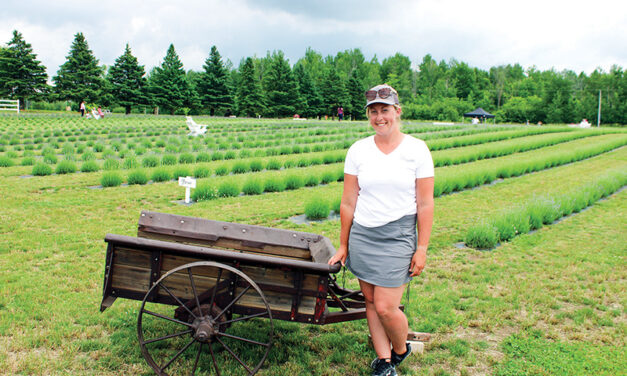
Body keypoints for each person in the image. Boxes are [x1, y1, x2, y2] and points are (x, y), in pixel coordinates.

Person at [328, 84, 434, 376]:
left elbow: (425, 203)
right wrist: (344, 244)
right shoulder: (359, 150)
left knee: (387, 306)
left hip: (398, 236)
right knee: (371, 303)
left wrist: (421, 248)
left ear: (397, 112)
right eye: (373, 111)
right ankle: (384, 361)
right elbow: (349, 201)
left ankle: (401, 349)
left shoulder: (416, 150)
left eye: (384, 110)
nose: (379, 117)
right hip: (363, 234)